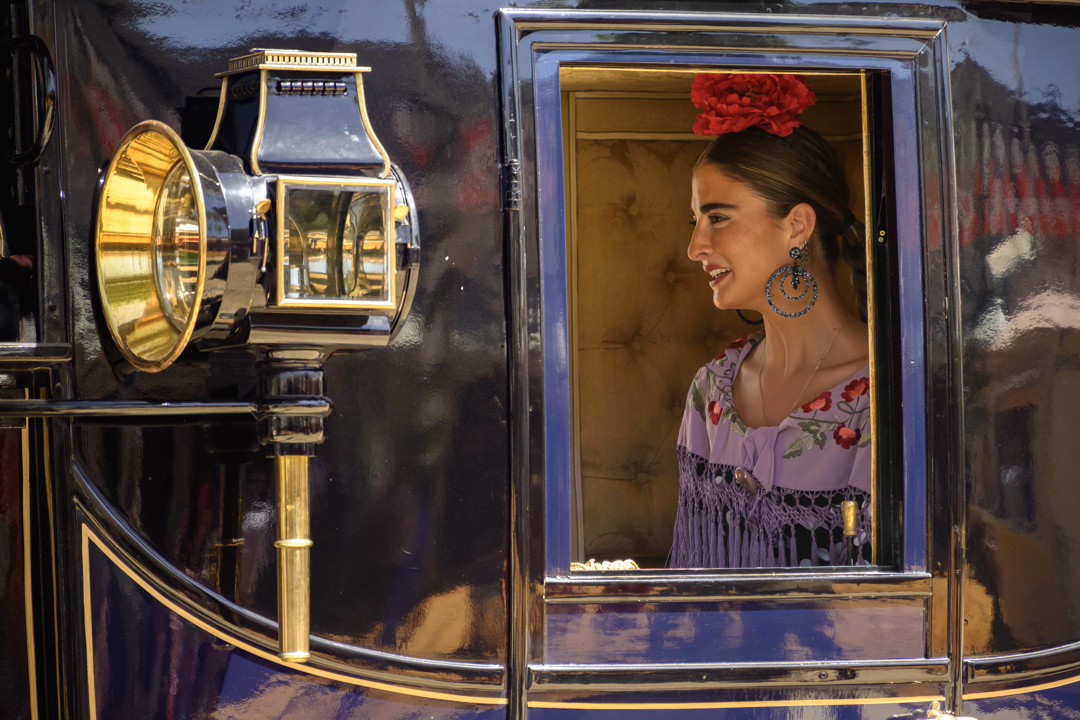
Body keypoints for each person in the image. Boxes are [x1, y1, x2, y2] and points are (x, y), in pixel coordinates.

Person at [669, 74, 872, 568]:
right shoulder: (710, 392)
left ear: (797, 226)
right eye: (695, 221)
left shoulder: (884, 399)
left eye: (718, 218)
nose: (696, 247)